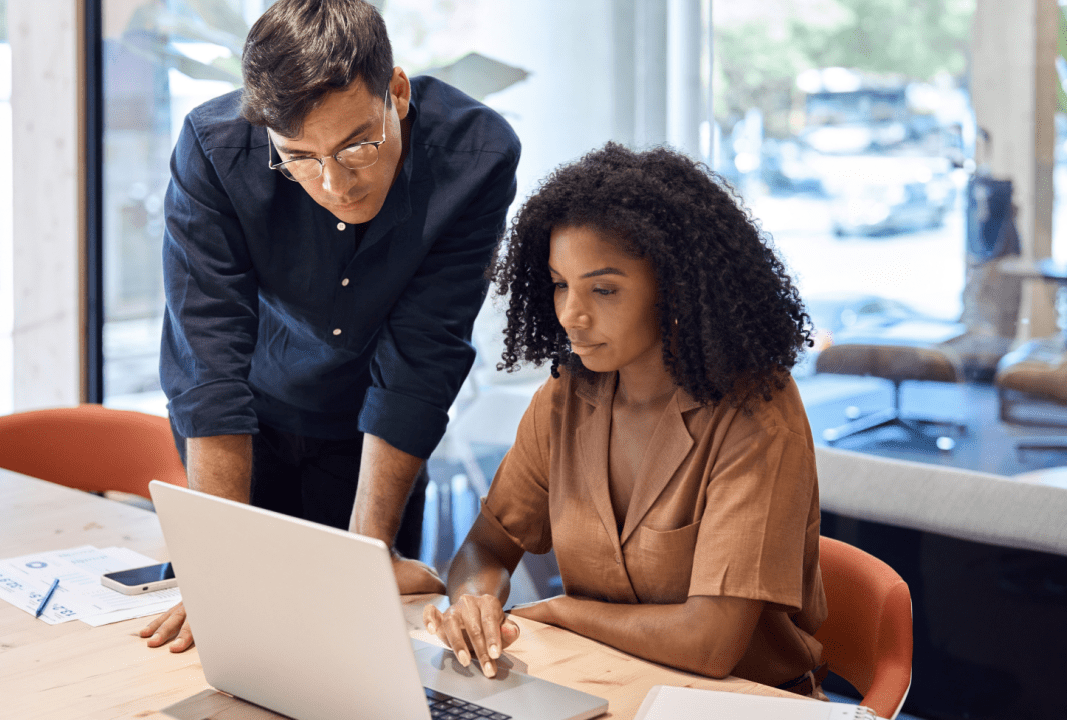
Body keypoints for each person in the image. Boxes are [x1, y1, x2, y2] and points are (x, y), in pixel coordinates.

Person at [143, 0, 520, 653]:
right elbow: (209, 363)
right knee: (230, 631)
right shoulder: (214, 150)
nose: (334, 184)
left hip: (372, 438)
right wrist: (219, 571)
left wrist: (368, 552)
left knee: (356, 642)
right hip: (245, 430)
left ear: (395, 92)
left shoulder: (474, 156)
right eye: (299, 157)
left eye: (357, 145)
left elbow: (421, 360)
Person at [423, 143, 829, 697]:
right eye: (560, 283)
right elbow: (487, 547)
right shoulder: (565, 398)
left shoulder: (755, 410)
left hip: (740, 702)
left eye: (604, 289)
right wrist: (474, 602)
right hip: (604, 682)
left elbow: (709, 644)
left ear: (676, 286)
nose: (571, 313)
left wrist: (564, 612)